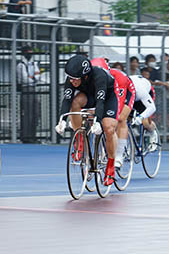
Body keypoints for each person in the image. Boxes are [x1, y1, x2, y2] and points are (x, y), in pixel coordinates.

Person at [56, 55, 118, 186]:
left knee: (108, 127)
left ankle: (111, 167)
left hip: (107, 98)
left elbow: (100, 102)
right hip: (89, 96)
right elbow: (67, 99)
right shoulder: (72, 79)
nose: (71, 81)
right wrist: (62, 120)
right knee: (75, 102)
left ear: (84, 76)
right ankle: (80, 140)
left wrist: (97, 121)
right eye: (70, 78)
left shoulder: (99, 76)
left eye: (75, 79)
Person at [91, 57, 136, 169]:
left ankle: (119, 155)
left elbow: (118, 103)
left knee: (120, 118)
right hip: (107, 93)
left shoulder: (119, 77)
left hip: (125, 91)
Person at [17, 45, 41, 143]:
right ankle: (26, 136)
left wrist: (33, 77)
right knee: (27, 113)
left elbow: (38, 76)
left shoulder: (33, 63)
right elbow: (24, 79)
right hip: (25, 89)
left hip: (34, 88)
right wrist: (33, 78)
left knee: (36, 112)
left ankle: (33, 135)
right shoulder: (20, 65)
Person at [129, 74, 159, 150]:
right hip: (131, 96)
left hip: (144, 95)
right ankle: (127, 145)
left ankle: (152, 133)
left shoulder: (140, 90)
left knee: (145, 122)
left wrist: (140, 117)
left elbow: (152, 108)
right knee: (124, 119)